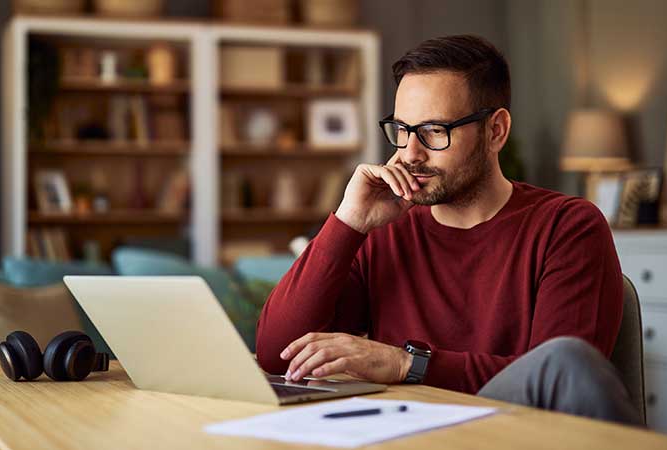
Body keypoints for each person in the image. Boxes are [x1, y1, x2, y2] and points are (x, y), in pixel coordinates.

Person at [255, 35, 641, 425]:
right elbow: (276, 354)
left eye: (434, 131)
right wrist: (347, 223)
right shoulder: (385, 232)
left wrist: (408, 364)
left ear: (496, 131)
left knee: (566, 360)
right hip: (405, 434)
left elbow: (560, 381)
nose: (409, 153)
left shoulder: (567, 226)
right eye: (402, 130)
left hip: (513, 432)